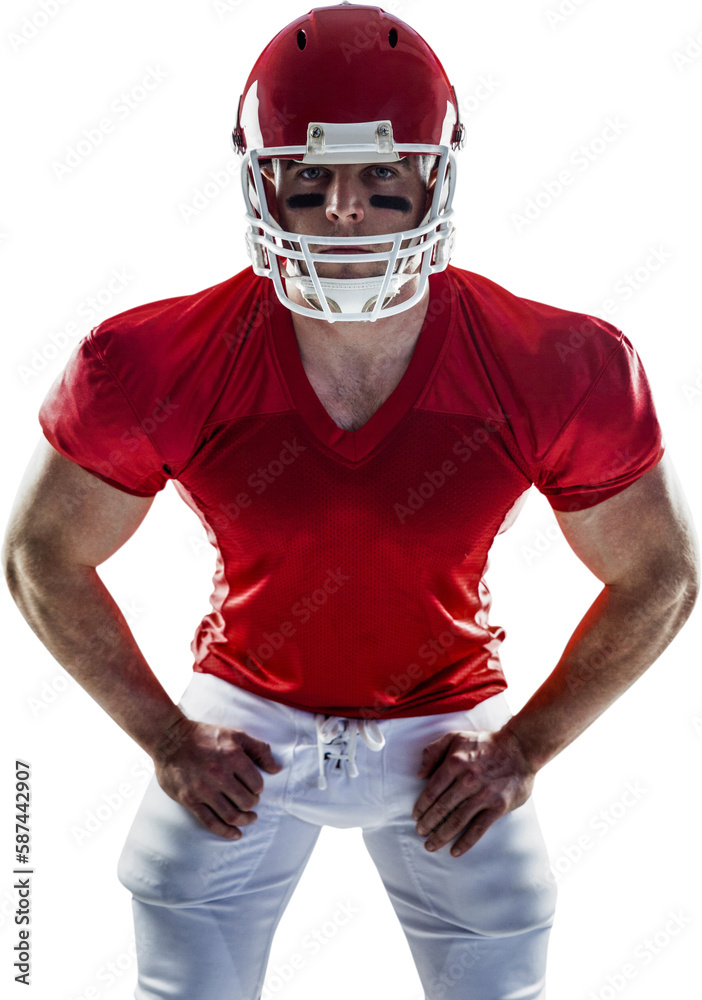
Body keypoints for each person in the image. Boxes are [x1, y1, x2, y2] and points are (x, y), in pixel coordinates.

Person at [3, 4, 698, 999]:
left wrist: (523, 750)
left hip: (448, 721)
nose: (344, 213)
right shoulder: (154, 360)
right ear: (262, 185)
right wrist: (163, 735)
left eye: (381, 179)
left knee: (505, 953)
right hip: (244, 713)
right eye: (311, 180)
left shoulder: (558, 363)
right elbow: (42, 552)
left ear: (433, 179)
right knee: (178, 932)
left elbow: (660, 573)